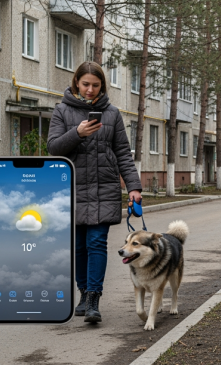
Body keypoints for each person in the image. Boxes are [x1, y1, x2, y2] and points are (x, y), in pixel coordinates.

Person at [48, 61, 142, 324]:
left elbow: (123, 152)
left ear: (102, 86)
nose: (90, 90)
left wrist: (133, 186)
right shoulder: (62, 111)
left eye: (96, 85)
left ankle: (93, 299)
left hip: (103, 188)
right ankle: (82, 293)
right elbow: (54, 148)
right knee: (78, 247)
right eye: (86, 84)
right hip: (71, 189)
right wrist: (77, 133)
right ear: (76, 82)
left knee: (96, 243)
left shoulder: (111, 114)